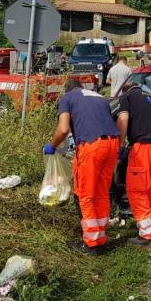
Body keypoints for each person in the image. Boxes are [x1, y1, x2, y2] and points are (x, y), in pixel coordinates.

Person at [45, 86, 120, 255]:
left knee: (84, 195)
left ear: (67, 90)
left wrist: (52, 145)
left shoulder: (67, 98)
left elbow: (64, 129)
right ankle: (100, 237)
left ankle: (92, 243)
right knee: (101, 192)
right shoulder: (100, 97)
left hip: (91, 146)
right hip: (112, 144)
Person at [115, 82, 151, 245]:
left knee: (136, 189)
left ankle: (149, 233)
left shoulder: (126, 96)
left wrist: (120, 145)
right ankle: (150, 222)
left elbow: (123, 118)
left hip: (145, 146)